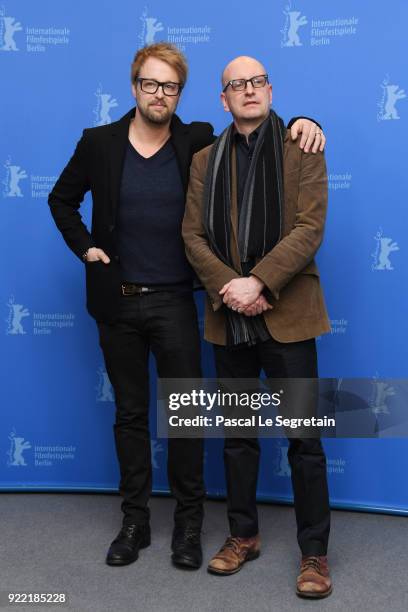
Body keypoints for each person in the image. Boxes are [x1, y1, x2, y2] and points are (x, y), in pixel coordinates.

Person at [48, 43, 326, 570]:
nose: (160, 94)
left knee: (194, 418)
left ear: (182, 94)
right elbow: (65, 201)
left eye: (170, 86)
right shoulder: (105, 143)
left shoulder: (196, 140)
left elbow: (288, 189)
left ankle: (192, 528)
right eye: (151, 84)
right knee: (134, 415)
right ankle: (136, 523)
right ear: (134, 87)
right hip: (123, 302)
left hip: (181, 302)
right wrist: (85, 246)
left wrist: (306, 120)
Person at [182, 55, 332, 598]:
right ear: (223, 100)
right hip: (230, 319)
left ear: (271, 89)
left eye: (258, 81)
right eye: (236, 85)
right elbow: (192, 237)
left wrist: (260, 283)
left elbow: (308, 228)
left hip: (289, 317)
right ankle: (242, 536)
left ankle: (314, 553)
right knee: (239, 440)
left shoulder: (304, 145)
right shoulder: (204, 160)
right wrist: (232, 286)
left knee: (305, 441)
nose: (249, 90)